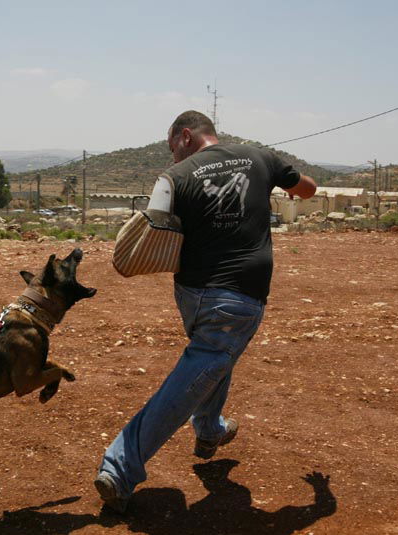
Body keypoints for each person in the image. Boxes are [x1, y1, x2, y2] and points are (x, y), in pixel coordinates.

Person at [95, 110, 317, 513]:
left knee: (214, 356)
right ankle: (119, 467)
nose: (174, 156)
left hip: (192, 294)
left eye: (172, 148)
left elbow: (152, 223)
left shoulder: (174, 177)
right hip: (240, 296)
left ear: (184, 136)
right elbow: (308, 189)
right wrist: (322, 496)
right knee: (197, 374)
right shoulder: (261, 157)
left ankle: (209, 428)